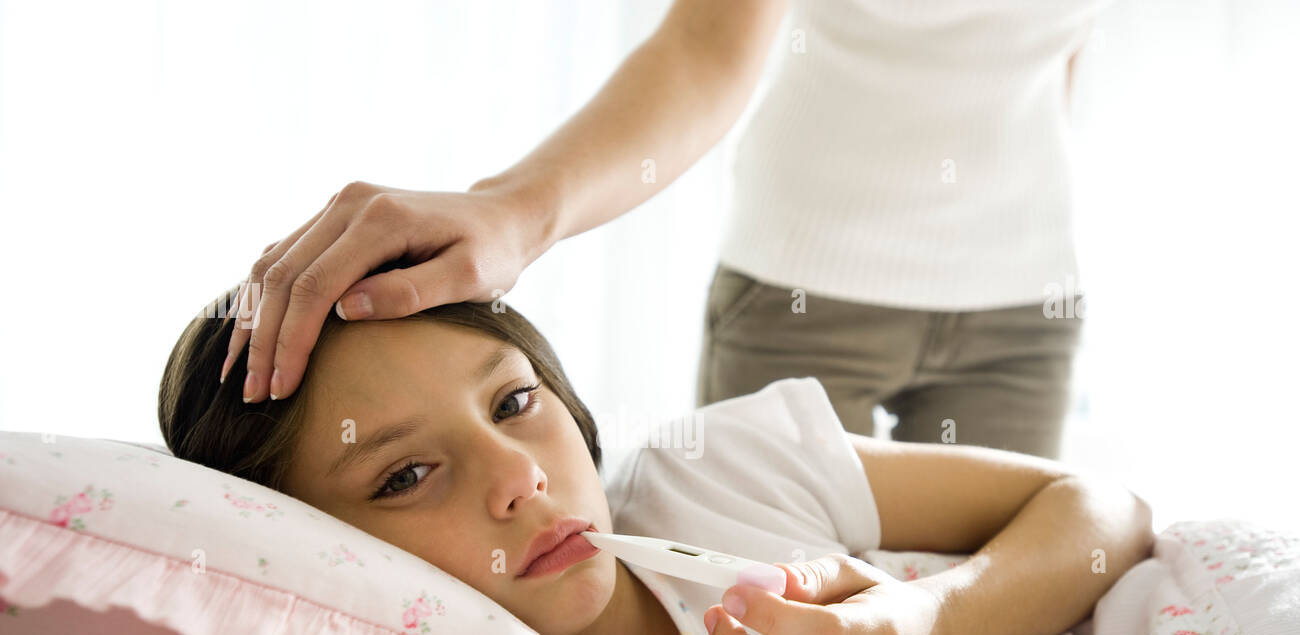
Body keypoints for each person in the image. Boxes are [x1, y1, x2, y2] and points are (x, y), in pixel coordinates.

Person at [166, 283, 1154, 635]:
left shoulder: (714, 471)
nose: (521, 478)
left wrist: (926, 631)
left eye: (514, 401)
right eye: (404, 476)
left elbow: (1105, 509)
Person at [220, 0, 1106, 460]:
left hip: (1025, 300)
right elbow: (704, 51)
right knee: (777, 626)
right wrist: (516, 211)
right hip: (802, 294)